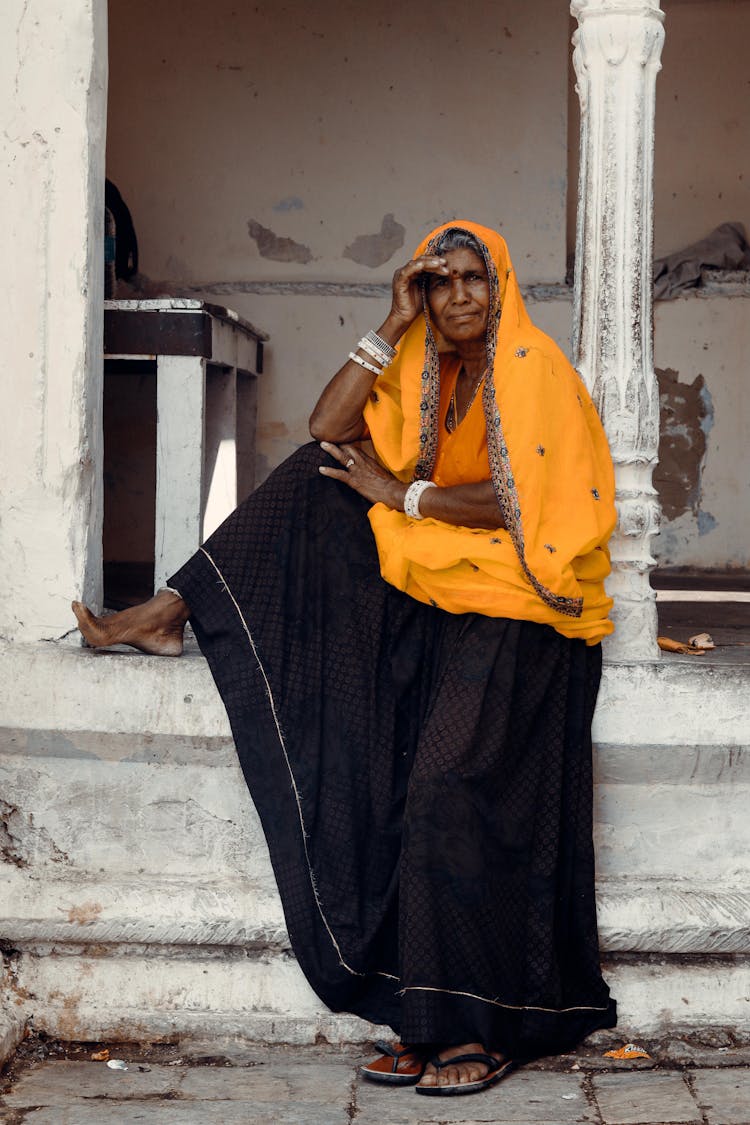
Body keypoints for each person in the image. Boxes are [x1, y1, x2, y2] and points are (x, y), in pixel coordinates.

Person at [73, 220, 618, 1097]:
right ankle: (171, 608)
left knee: (440, 784)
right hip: (439, 581)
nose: (462, 295)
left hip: (523, 602)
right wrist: (392, 319)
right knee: (311, 474)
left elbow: (521, 504)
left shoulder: (533, 368)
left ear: (501, 284)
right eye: (440, 283)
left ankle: (466, 1022)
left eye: (475, 277)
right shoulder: (427, 357)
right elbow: (332, 426)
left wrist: (402, 492)